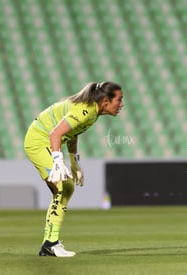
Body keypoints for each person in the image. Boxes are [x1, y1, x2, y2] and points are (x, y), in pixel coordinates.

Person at [24, 81, 124, 257]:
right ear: (106, 101)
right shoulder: (85, 111)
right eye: (119, 100)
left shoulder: (93, 112)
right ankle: (50, 244)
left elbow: (72, 134)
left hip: (45, 141)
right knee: (61, 186)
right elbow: (55, 134)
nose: (122, 104)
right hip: (38, 141)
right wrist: (57, 160)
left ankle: (49, 244)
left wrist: (75, 163)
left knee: (66, 188)